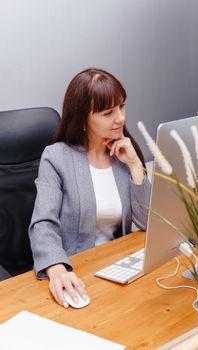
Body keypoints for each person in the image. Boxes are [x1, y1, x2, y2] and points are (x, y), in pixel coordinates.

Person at [29, 68, 150, 308]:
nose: (121, 118)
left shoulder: (122, 154)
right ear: (83, 117)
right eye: (108, 112)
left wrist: (136, 166)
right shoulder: (56, 157)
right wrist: (56, 268)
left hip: (119, 272)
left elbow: (148, 223)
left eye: (121, 106)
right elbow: (43, 223)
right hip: (78, 274)